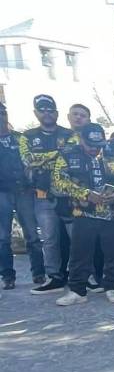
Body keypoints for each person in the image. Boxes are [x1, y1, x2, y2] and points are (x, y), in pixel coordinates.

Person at [51, 123, 114, 306]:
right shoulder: (68, 155)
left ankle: (112, 287)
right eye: (90, 145)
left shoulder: (113, 156)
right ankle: (78, 291)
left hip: (112, 214)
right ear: (81, 139)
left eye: (98, 145)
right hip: (83, 213)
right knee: (79, 254)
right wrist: (85, 194)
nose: (94, 149)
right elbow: (58, 182)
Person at [22, 94, 76, 295]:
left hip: (68, 194)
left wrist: (44, 160)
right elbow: (28, 160)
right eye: (42, 109)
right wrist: (57, 154)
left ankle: (77, 274)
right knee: (49, 238)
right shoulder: (26, 136)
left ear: (57, 113)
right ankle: (54, 276)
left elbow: (72, 156)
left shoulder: (69, 134)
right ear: (36, 112)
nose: (47, 113)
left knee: (75, 237)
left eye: (50, 110)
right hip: (42, 195)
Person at [0, 102, 45, 290]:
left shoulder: (20, 139)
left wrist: (31, 184)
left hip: (24, 191)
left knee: (32, 235)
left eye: (2, 112)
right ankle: (7, 276)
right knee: (3, 237)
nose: (1, 116)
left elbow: (32, 163)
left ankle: (39, 273)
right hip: (2, 193)